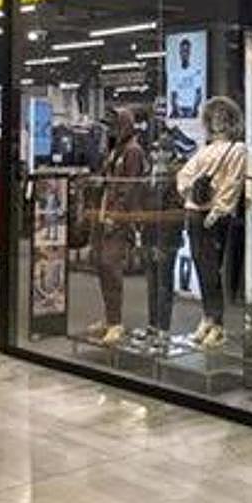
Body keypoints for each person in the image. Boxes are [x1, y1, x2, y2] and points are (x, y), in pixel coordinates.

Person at [177, 97, 247, 350]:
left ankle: (217, 323)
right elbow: (183, 175)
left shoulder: (237, 149)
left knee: (211, 270)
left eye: (223, 117)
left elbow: (233, 183)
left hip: (214, 217)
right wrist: (191, 191)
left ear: (231, 120)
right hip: (194, 213)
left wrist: (219, 209)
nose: (218, 121)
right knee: (201, 267)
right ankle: (207, 317)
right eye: (214, 117)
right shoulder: (204, 150)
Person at [89, 108, 146, 347]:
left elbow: (130, 188)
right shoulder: (116, 151)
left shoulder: (133, 151)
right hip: (105, 214)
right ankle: (109, 317)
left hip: (119, 219)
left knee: (111, 267)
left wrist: (118, 215)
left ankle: (116, 323)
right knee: (103, 266)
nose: (111, 130)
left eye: (114, 125)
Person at [169, 37, 204, 119]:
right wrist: (177, 110)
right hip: (179, 109)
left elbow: (198, 93)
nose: (184, 54)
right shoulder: (175, 73)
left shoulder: (195, 71)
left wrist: (194, 109)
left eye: (187, 51)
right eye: (183, 51)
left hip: (191, 109)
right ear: (180, 53)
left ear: (190, 53)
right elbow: (173, 95)